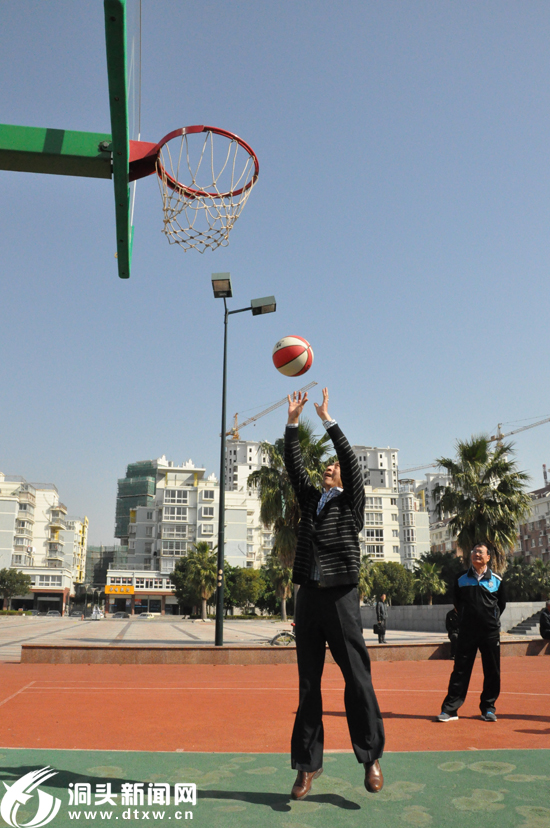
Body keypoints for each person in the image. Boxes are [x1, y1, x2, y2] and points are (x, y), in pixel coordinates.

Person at [284, 388, 385, 800]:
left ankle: (371, 757)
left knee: (357, 679)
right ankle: (308, 767)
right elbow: (293, 467)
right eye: (325, 467)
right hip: (308, 595)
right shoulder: (311, 501)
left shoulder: (352, 503)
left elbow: (350, 464)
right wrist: (293, 423)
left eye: (333, 467)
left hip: (342, 597)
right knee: (309, 685)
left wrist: (328, 420)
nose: (328, 470)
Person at [437, 542, 506, 723]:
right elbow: (457, 602)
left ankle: (488, 709)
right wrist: (467, 618)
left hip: (490, 633)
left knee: (492, 671)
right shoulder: (461, 578)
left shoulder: (497, 580)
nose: (476, 554)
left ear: (488, 557)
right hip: (467, 632)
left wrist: (490, 619)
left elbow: (501, 604)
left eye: (480, 552)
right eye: (474, 551)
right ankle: (450, 710)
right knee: (460, 670)